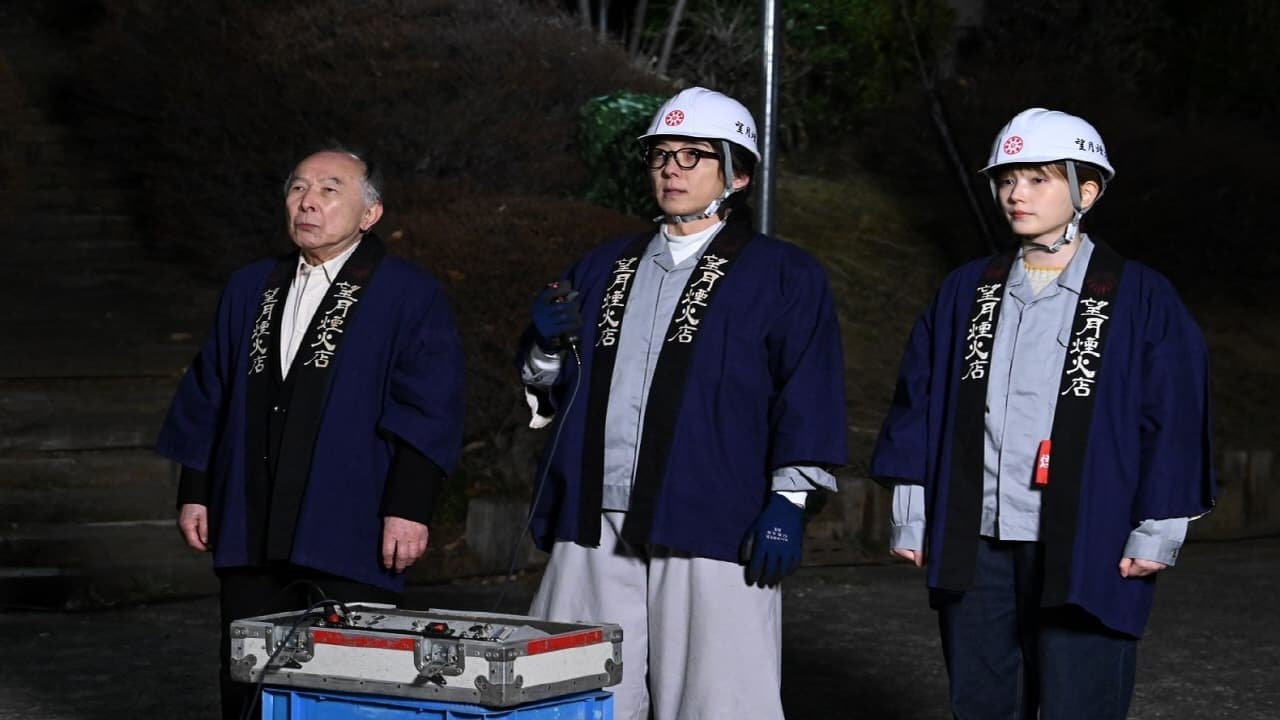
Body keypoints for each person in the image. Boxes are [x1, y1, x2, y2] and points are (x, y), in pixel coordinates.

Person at [870, 108, 1217, 719]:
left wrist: (1160, 528)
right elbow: (917, 401)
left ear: (1088, 191)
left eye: (1037, 179)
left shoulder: (1139, 296)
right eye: (1006, 180)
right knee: (982, 700)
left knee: (1079, 699)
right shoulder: (966, 290)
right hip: (976, 536)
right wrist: (912, 511)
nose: (1016, 194)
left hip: (1088, 535)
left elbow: (1175, 415)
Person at [516, 87, 847, 720]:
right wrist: (544, 345)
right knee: (574, 695)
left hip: (711, 515)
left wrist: (790, 501)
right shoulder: (602, 265)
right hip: (594, 515)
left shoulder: (783, 274)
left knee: (717, 701)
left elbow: (808, 388)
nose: (672, 169)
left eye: (694, 155)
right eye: (661, 155)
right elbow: (551, 392)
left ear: (738, 174)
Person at [156, 147, 464, 720]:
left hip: (352, 519)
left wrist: (409, 505)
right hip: (250, 518)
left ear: (370, 213)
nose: (308, 202)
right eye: (298, 188)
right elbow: (210, 390)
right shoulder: (250, 286)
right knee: (248, 677)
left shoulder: (406, 293)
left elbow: (429, 404)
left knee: (353, 682)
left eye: (329, 189)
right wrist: (196, 487)